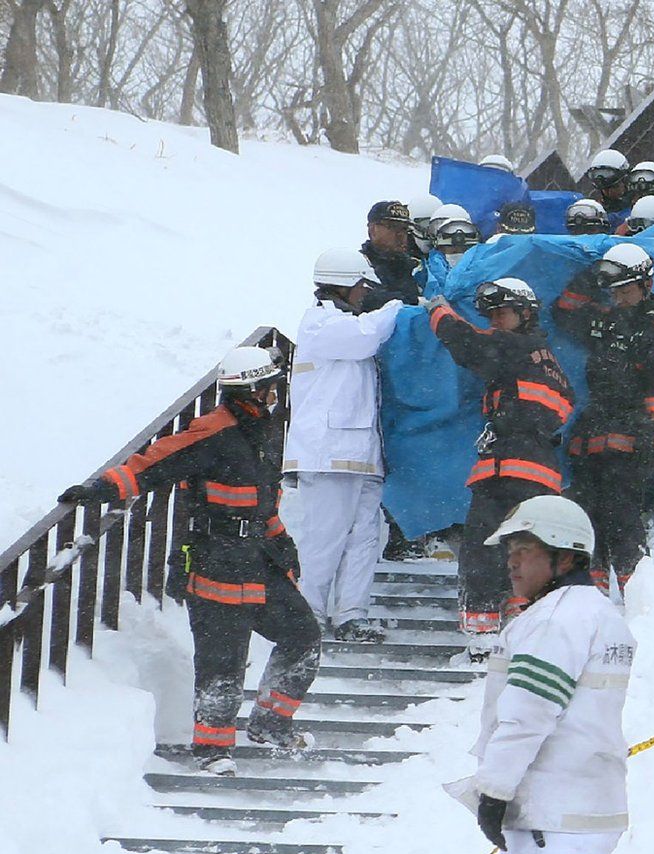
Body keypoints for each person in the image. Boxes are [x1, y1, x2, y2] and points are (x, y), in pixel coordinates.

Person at [59, 347, 319, 773]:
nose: (275, 395)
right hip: (217, 562)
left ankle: (271, 723)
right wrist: (101, 490)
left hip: (258, 559)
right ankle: (213, 750)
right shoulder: (212, 430)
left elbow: (261, 501)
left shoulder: (265, 431)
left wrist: (282, 542)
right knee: (223, 660)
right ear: (250, 391)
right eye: (269, 388)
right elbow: (153, 463)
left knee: (304, 636)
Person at [446, 494, 636, 854]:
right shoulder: (597, 614)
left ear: (566, 555)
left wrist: (493, 791)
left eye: (525, 549)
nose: (512, 562)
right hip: (588, 813)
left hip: (552, 817)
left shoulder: (554, 620)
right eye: (509, 551)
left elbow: (528, 712)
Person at [426, 278, 575, 648]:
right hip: (538, 469)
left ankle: (481, 637)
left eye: (501, 313)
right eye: (489, 315)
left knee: (483, 546)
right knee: (521, 550)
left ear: (525, 314)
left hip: (509, 467)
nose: (494, 321)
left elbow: (467, 345)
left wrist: (437, 312)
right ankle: (520, 626)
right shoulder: (547, 359)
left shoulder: (514, 347)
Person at [285, 248, 404, 643]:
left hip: (361, 453)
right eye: (361, 285)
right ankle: (310, 615)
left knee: (365, 537)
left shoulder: (343, 324)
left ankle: (351, 612)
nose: (365, 292)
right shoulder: (322, 324)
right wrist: (398, 307)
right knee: (325, 538)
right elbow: (366, 337)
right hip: (329, 452)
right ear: (345, 284)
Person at [551, 243, 654, 595]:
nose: (619, 296)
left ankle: (636, 598)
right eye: (614, 290)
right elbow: (564, 310)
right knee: (586, 517)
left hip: (633, 433)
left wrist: (650, 428)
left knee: (623, 520)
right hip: (593, 431)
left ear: (645, 286)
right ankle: (589, 596)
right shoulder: (605, 321)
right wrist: (594, 272)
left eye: (626, 289)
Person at [361, 200, 421, 305]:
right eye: (393, 227)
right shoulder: (360, 265)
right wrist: (416, 301)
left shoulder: (414, 267)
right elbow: (367, 301)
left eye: (404, 229)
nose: (401, 235)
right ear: (373, 230)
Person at [585, 148, 632, 215]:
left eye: (615, 187)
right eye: (604, 189)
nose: (609, 192)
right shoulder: (596, 213)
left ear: (625, 181)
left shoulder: (638, 208)